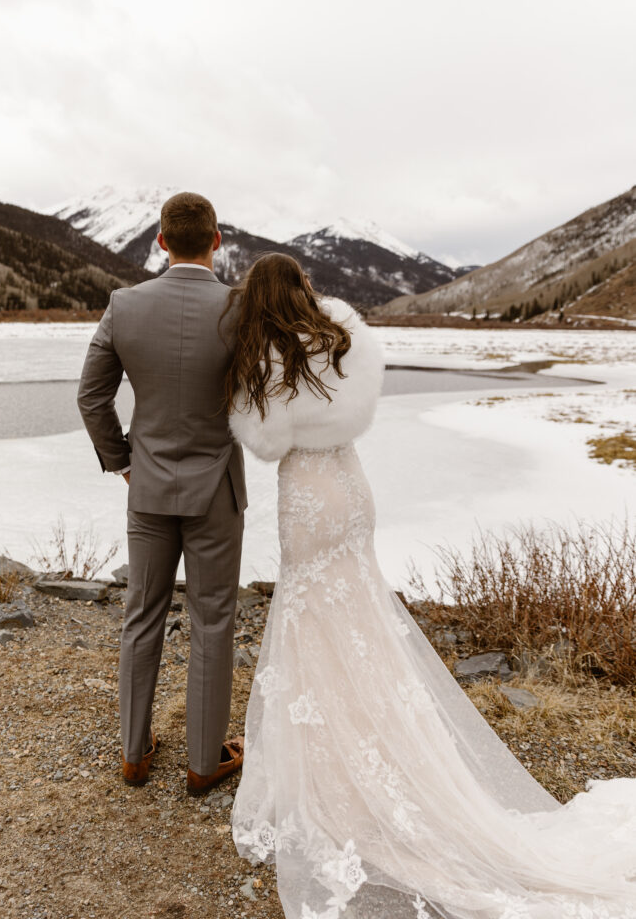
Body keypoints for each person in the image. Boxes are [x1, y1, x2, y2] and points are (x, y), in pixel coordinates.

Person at [226, 252, 636, 919]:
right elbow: (354, 415)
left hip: (306, 496)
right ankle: (377, 740)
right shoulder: (342, 340)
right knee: (358, 617)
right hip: (352, 492)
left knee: (313, 624)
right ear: (304, 289)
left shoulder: (263, 356)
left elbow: (266, 444)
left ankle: (336, 772)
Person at [77, 191, 247, 792]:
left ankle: (134, 755)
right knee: (213, 620)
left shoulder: (124, 306)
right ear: (217, 239)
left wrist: (123, 461)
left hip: (146, 487)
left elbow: (91, 397)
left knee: (141, 616)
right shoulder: (241, 309)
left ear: (160, 240)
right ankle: (205, 764)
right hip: (218, 492)